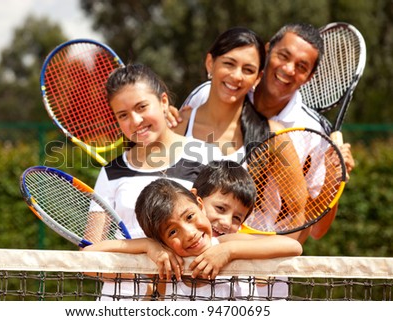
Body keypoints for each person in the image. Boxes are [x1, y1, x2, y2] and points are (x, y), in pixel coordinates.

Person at [168, 23, 355, 243]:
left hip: (261, 265)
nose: (288, 69)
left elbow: (315, 228)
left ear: (310, 77)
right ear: (266, 54)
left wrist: (333, 181)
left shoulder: (312, 134)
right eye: (283, 56)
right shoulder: (212, 93)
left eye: (302, 66)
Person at [89, 63, 214, 300]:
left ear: (164, 102)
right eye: (123, 115)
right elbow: (89, 260)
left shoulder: (208, 157)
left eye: (142, 107)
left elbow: (225, 232)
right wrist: (147, 251)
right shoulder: (111, 173)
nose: (135, 120)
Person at [85, 178, 302, 300]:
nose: (189, 233)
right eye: (172, 232)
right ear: (161, 239)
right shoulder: (160, 266)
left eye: (190, 217)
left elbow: (293, 246)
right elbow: (87, 259)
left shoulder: (227, 243)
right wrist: (147, 245)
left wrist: (229, 252)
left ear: (200, 204)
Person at [169, 26, 285, 163]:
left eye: (248, 70)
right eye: (229, 64)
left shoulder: (273, 136)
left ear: (258, 78)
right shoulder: (176, 126)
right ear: (210, 63)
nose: (236, 76)